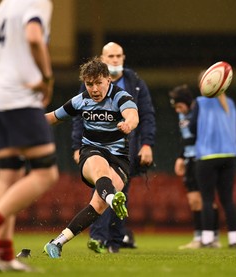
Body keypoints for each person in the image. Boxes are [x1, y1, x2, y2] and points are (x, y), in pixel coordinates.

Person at [0, 0, 58, 272]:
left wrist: (1, 75)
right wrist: (47, 79)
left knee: (10, 174)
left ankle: (3, 254)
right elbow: (33, 36)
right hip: (20, 100)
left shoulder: (7, 4)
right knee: (46, 173)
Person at [43, 57, 139, 258]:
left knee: (97, 206)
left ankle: (57, 243)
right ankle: (113, 198)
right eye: (89, 84)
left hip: (120, 159)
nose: (94, 89)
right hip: (92, 152)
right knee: (100, 168)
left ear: (108, 80)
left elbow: (132, 115)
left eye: (98, 83)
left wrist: (128, 124)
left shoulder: (121, 97)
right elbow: (52, 117)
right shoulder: (81, 100)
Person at [72, 42, 156, 253]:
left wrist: (147, 144)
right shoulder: (89, 84)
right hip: (96, 148)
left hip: (125, 151)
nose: (115, 60)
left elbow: (147, 115)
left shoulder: (135, 82)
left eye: (118, 56)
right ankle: (98, 239)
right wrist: (76, 146)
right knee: (101, 192)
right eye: (111, 56)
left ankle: (115, 242)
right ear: (102, 59)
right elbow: (77, 117)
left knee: (120, 196)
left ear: (123, 58)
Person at [168, 84, 221, 249]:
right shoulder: (181, 117)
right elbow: (184, 139)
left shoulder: (201, 112)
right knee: (193, 201)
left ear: (187, 102)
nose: (178, 110)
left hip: (203, 158)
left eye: (179, 106)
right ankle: (199, 237)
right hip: (189, 160)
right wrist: (180, 157)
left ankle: (213, 237)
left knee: (207, 200)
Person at [190, 81, 236, 248]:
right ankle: (234, 239)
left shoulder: (200, 101)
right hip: (230, 155)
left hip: (207, 155)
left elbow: (192, 127)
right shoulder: (231, 102)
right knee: (228, 199)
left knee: (207, 199)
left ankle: (207, 238)